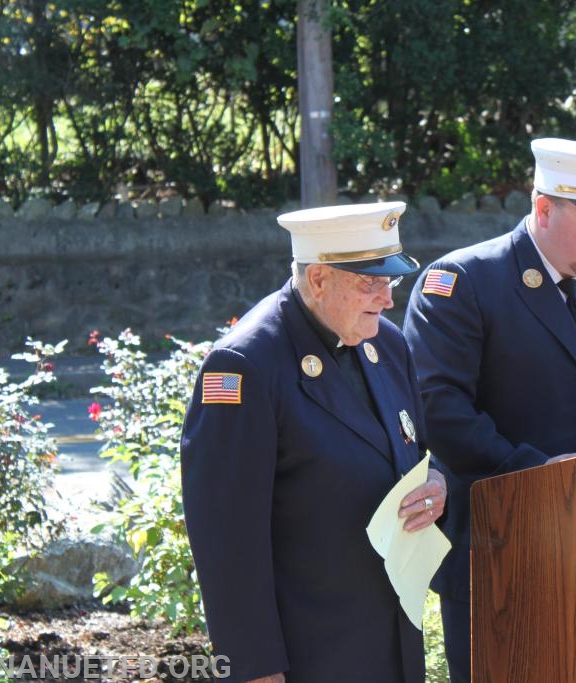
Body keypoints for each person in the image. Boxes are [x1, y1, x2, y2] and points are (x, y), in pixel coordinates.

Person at [403, 137, 576, 682]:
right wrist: (539, 475)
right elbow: (440, 408)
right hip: (499, 547)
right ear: (543, 209)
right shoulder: (462, 282)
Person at [180, 202, 448, 683]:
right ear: (320, 278)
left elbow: (416, 450)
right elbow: (227, 544)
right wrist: (253, 669)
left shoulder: (385, 344)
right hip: (310, 655)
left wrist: (437, 483)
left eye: (391, 281)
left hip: (393, 642)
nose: (388, 300)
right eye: (371, 282)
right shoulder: (244, 366)